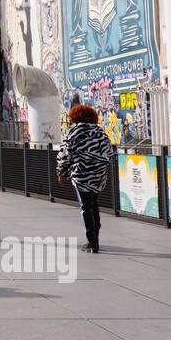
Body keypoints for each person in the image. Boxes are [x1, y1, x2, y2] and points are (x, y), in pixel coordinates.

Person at [57, 104, 115, 253]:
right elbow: (109, 153)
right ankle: (95, 239)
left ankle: (92, 242)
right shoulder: (100, 132)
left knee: (85, 207)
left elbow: (64, 154)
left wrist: (61, 173)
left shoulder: (73, 132)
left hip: (81, 174)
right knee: (94, 205)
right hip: (98, 175)